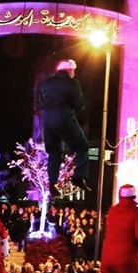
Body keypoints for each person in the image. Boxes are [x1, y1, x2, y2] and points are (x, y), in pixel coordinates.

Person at [37, 59, 90, 195]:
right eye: (74, 71)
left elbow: (40, 101)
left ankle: (52, 184)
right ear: (70, 70)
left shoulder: (46, 83)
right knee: (82, 146)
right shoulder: (72, 83)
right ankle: (78, 177)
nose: (74, 74)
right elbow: (79, 105)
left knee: (54, 152)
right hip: (64, 118)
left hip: (47, 120)